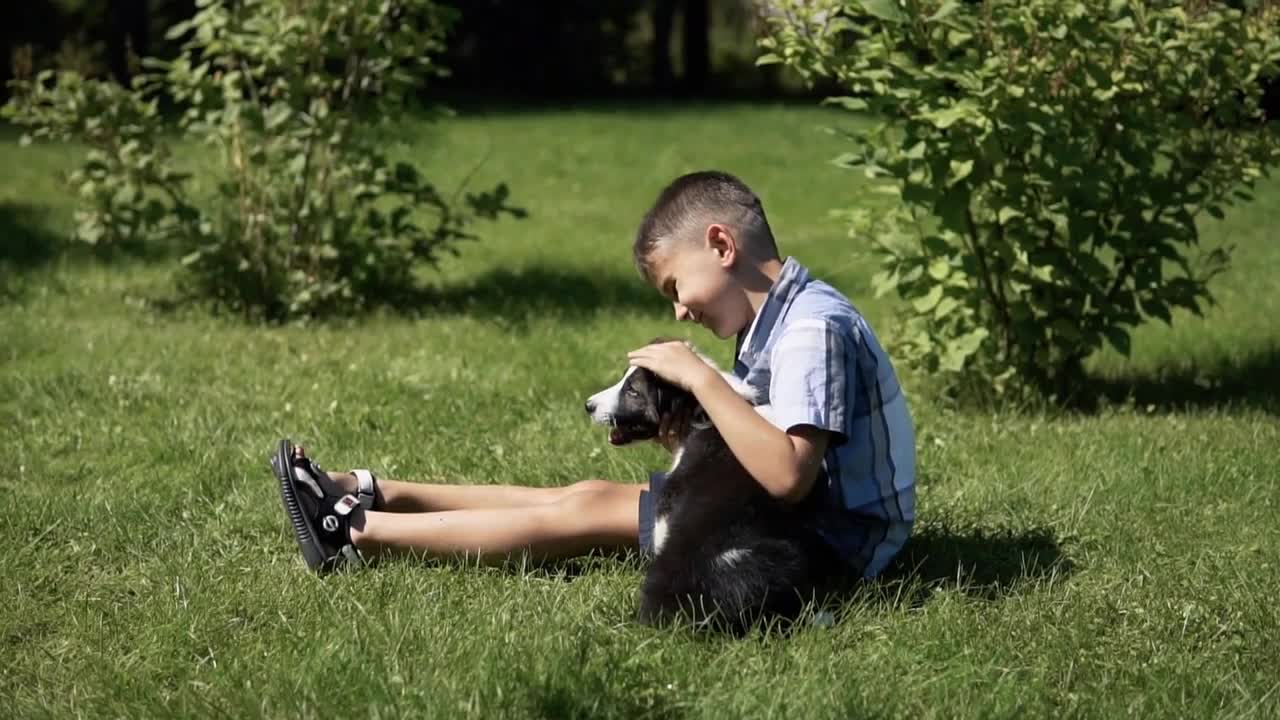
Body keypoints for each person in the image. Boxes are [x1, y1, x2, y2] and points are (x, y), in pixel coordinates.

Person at [272, 170, 916, 580]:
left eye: (675, 284)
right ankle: (371, 491)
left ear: (722, 246)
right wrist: (690, 440)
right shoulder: (779, 319)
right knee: (587, 491)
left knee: (586, 510)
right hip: (789, 520)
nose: (679, 308)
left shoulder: (810, 330)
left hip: (833, 547)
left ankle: (355, 534)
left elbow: (789, 475)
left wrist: (698, 378)